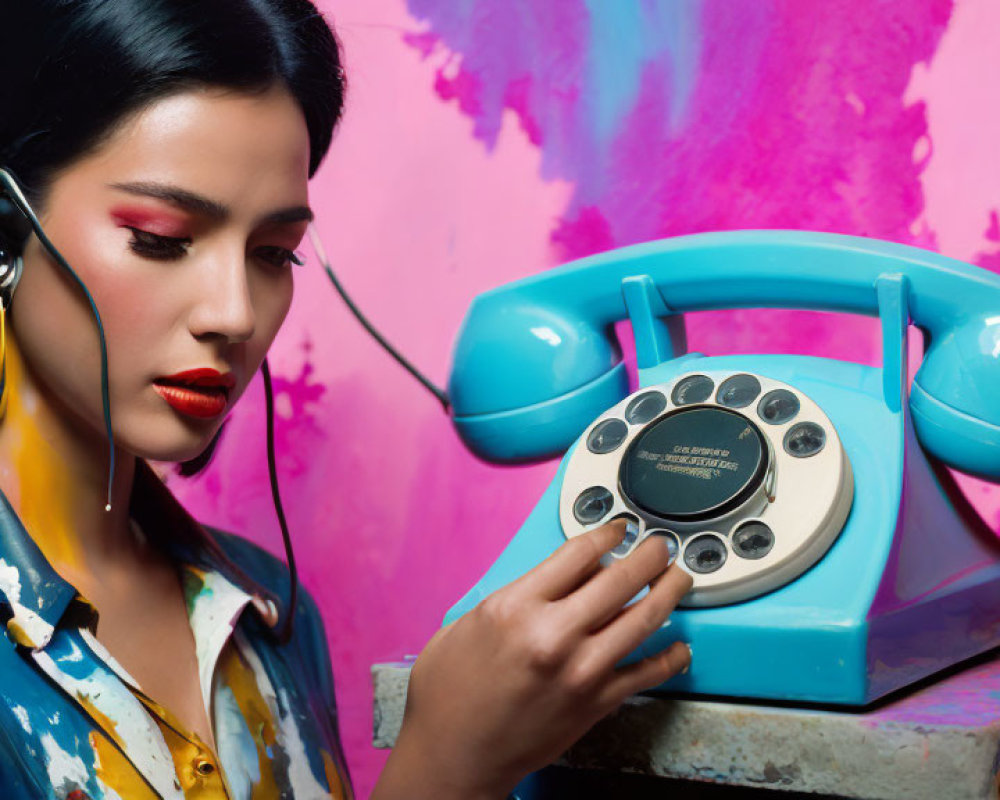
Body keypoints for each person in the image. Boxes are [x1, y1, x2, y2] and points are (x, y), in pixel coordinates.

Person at [0, 2, 692, 798]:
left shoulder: (271, 613)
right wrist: (445, 763)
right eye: (161, 237)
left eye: (272, 254)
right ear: (4, 229)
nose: (234, 313)